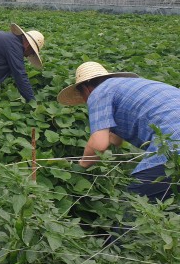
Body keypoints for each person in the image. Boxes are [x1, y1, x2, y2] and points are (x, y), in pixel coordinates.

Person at [57, 61, 180, 202]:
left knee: (136, 204)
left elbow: (99, 145)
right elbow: (116, 140)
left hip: (174, 145)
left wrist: (80, 166)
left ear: (85, 89)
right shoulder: (130, 86)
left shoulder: (99, 93)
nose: (86, 102)